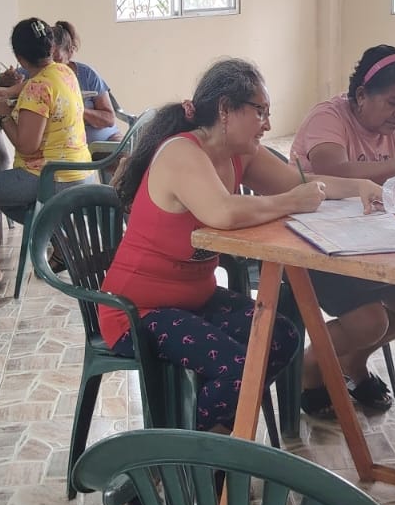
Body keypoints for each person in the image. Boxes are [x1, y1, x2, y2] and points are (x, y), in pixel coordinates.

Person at [102, 59, 376, 435]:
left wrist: (360, 188)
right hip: (136, 312)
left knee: (280, 337)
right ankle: (191, 455)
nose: (267, 124)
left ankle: (208, 439)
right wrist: (292, 202)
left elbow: (299, 182)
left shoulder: (240, 153)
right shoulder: (181, 152)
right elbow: (224, 212)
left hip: (195, 300)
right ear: (225, 109)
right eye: (260, 111)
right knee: (236, 365)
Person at [289, 45, 395, 405]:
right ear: (361, 95)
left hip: (373, 238)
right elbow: (335, 170)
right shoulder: (329, 118)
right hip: (318, 244)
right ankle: (309, 366)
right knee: (370, 322)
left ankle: (353, 361)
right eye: (393, 102)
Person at [0, 18, 93, 290]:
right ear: (52, 48)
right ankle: (62, 241)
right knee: (4, 198)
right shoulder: (64, 72)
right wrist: (8, 91)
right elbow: (35, 82)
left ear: (18, 57)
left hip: (48, 178)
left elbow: (27, 146)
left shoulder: (36, 90)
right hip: (79, 173)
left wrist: (3, 114)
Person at [51, 20, 124, 146]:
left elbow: (109, 119)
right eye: (48, 60)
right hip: (66, 147)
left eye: (57, 60)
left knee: (126, 154)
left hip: (106, 139)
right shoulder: (37, 75)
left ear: (70, 52)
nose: (52, 66)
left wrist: (77, 109)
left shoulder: (87, 74)